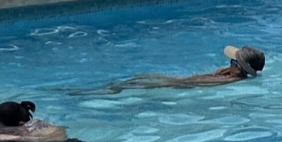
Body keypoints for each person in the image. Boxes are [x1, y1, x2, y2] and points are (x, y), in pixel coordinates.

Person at [113, 45, 266, 89]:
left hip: (181, 84)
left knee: (135, 84)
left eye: (232, 62)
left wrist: (166, 82)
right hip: (182, 81)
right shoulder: (229, 74)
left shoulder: (226, 81)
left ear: (239, 68)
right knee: (141, 77)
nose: (228, 64)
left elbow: (185, 83)